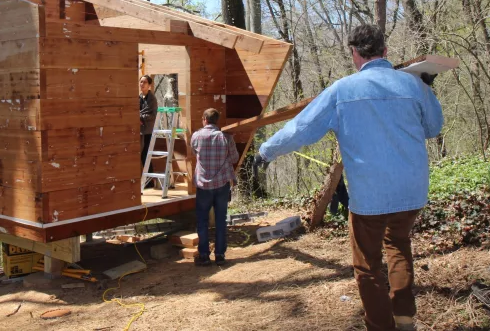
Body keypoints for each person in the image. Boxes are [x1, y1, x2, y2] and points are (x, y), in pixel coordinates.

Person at [254, 24, 443, 331]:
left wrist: (265, 152)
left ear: (355, 54)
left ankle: (381, 326)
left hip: (370, 198)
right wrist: (427, 86)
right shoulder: (413, 86)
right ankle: (405, 319)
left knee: (367, 267)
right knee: (398, 246)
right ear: (385, 51)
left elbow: (301, 129)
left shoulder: (342, 91)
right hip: (412, 191)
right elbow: (433, 127)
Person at [190, 108, 240, 267]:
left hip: (203, 185)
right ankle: (220, 256)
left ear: (204, 119)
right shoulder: (226, 138)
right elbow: (234, 158)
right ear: (216, 120)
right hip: (221, 184)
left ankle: (204, 256)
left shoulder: (196, 136)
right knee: (220, 220)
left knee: (202, 221)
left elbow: (193, 152)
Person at [139, 75, 158, 175]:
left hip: (148, 131)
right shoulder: (139, 97)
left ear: (149, 85)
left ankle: (149, 180)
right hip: (140, 130)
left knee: (146, 154)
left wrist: (140, 117)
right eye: (141, 82)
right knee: (141, 154)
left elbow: (152, 115)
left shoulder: (152, 99)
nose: (142, 84)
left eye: (144, 82)